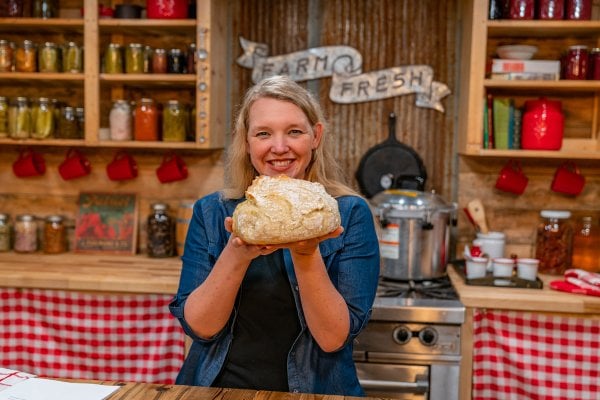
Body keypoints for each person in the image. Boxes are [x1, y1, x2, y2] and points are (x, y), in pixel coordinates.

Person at [169, 75, 380, 396]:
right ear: (246, 140)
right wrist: (237, 252)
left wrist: (306, 253)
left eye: (294, 131)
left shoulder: (346, 214)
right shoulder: (214, 213)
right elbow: (200, 327)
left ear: (316, 136)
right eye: (263, 133)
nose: (279, 147)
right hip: (218, 390)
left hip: (316, 392)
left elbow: (333, 338)